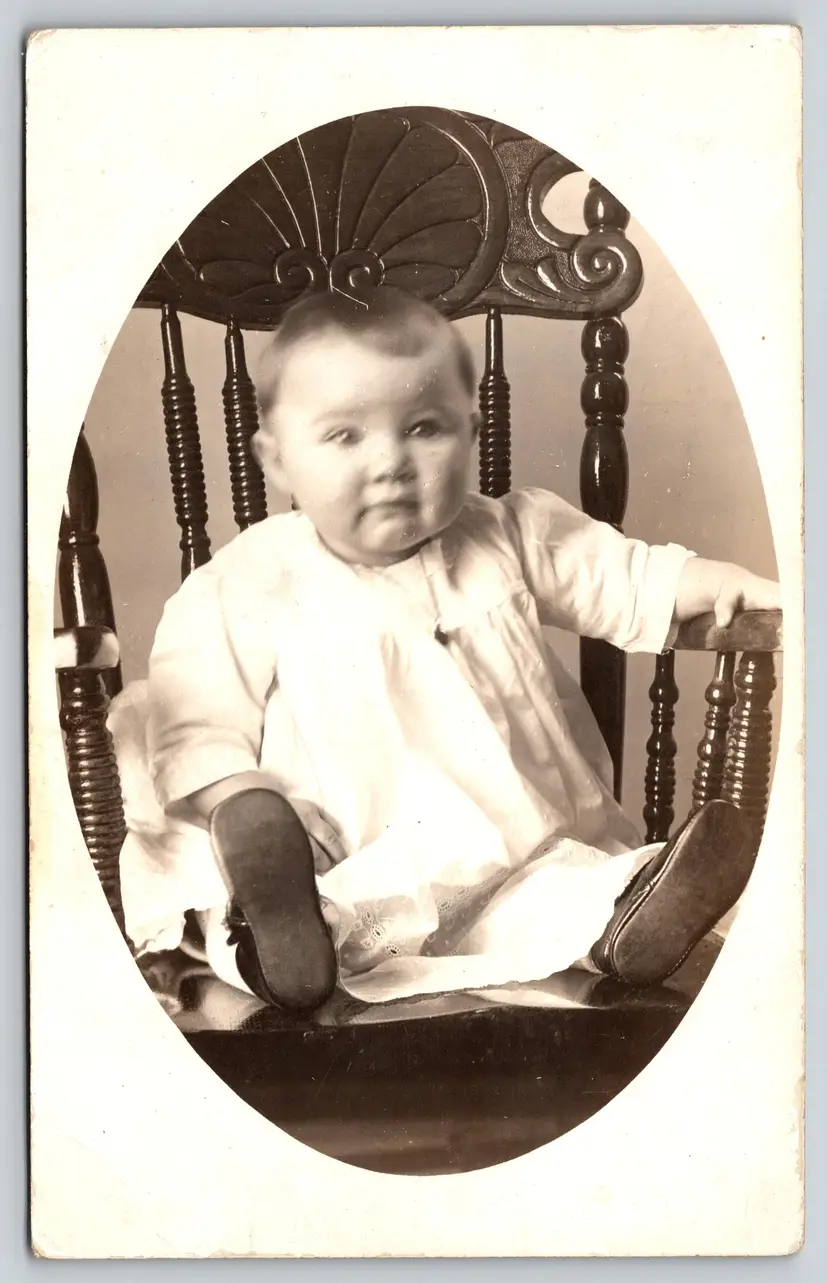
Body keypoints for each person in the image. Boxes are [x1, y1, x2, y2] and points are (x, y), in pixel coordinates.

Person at [110, 287, 780, 1014]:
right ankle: (276, 940)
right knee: (313, 909)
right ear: (277, 459)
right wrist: (243, 796)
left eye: (425, 427)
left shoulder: (509, 533)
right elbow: (193, 724)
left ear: (470, 431)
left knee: (564, 891)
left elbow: (628, 576)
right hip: (348, 856)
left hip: (519, 852)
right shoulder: (248, 581)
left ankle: (627, 919)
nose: (392, 461)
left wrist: (725, 583)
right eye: (344, 436)